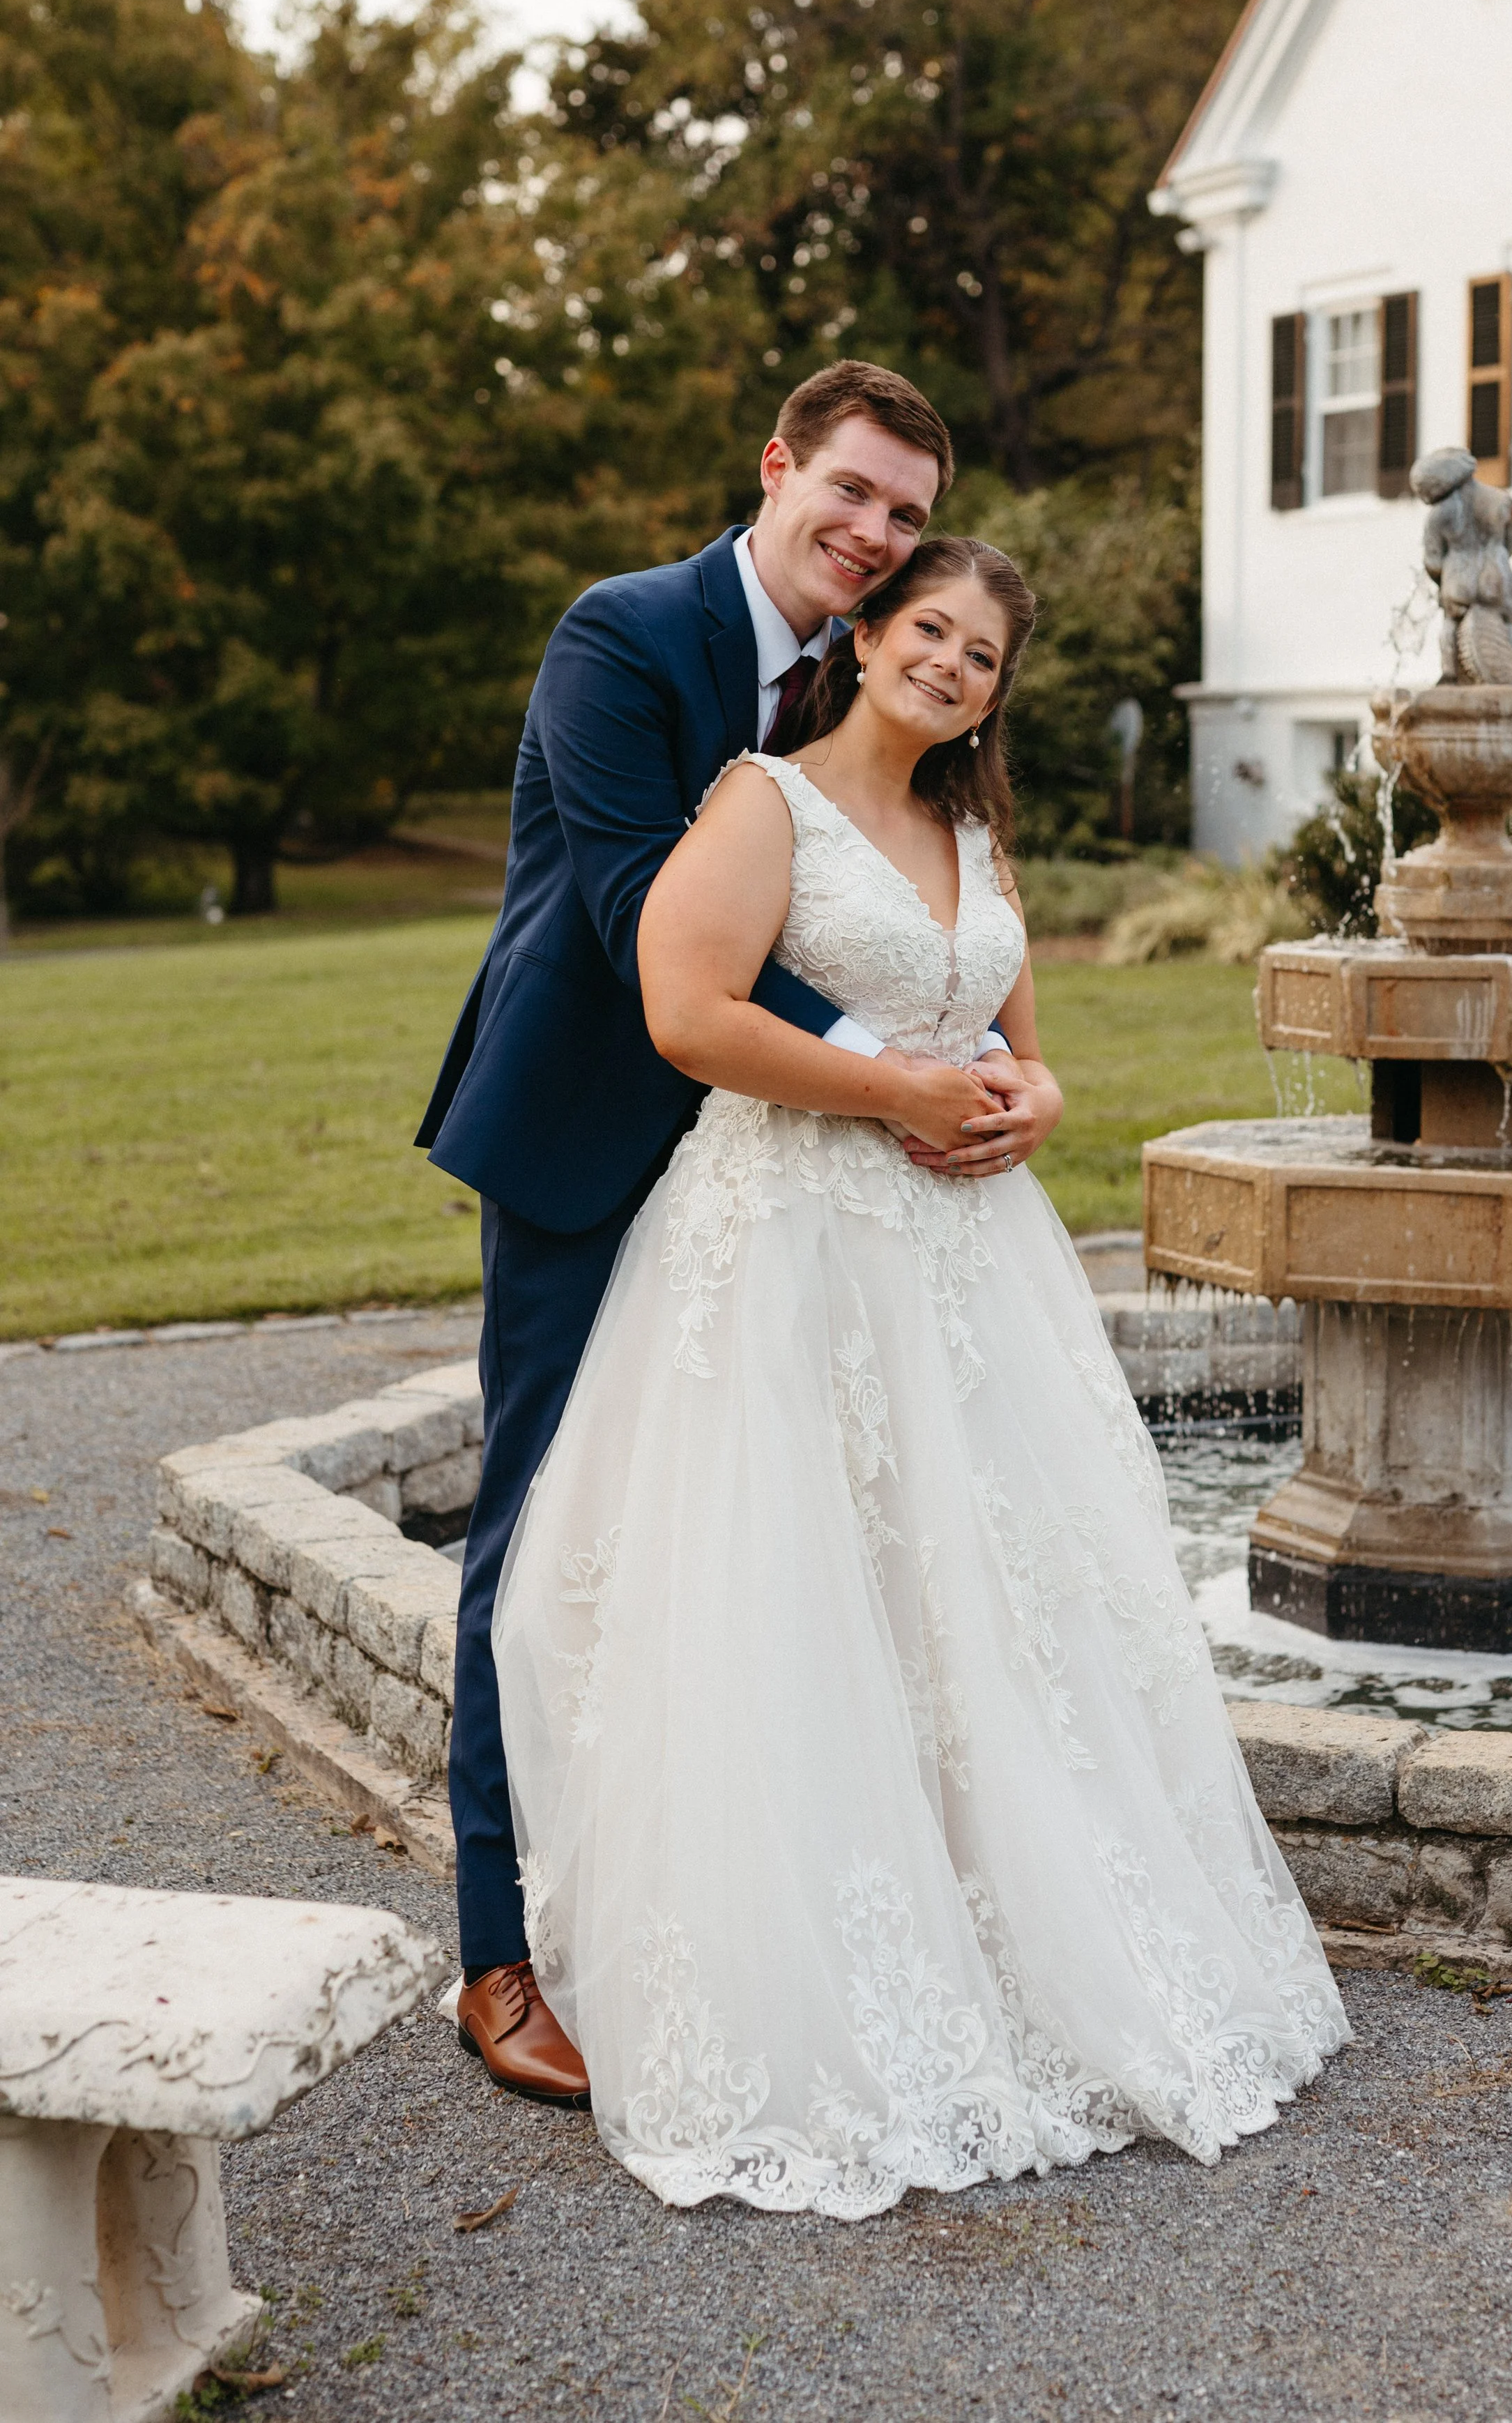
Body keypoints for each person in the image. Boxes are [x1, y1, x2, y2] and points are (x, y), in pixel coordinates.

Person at [492, 534, 1348, 2217]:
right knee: (806, 1590)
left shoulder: (969, 830)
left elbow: (1023, 1052)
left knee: (983, 1599)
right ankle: (808, 1979)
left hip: (963, 1272)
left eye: (982, 658)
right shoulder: (760, 803)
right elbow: (687, 1009)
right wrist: (891, 1100)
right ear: (867, 634)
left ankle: (1015, 1932)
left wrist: (1038, 1102)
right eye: (929, 632)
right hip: (795, 1247)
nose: (951, 667)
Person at [416, 363, 1051, 2105]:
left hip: (794, 1182)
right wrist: (898, 1071)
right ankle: (496, 1952)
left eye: (904, 516)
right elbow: (645, 926)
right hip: (590, 1141)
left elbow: (932, 916)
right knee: (544, 1539)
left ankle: (724, 1906)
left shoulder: (891, 699)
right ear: (776, 468)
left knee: (772, 1544)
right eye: (848, 493)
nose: (871, 534)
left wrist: (994, 1073)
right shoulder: (621, 638)